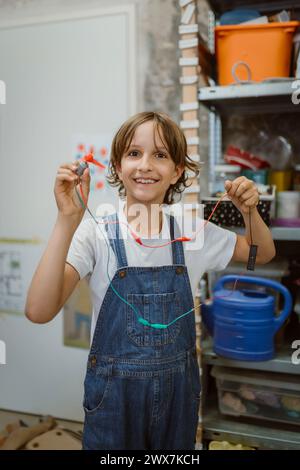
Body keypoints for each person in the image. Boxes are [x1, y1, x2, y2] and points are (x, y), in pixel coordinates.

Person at [25, 111, 276, 450]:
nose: (145, 164)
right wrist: (66, 220)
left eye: (160, 155)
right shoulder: (96, 232)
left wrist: (250, 213)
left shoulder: (192, 231)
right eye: (133, 153)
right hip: (113, 403)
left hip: (177, 400)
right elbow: (39, 311)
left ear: (176, 172)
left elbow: (261, 253)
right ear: (116, 167)